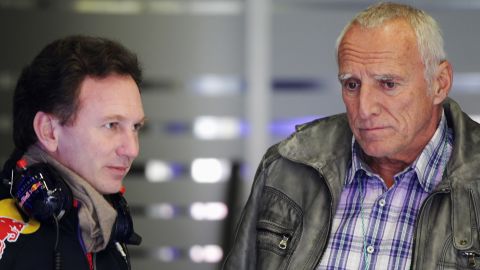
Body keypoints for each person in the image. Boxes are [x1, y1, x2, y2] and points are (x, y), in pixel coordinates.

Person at [223, 2, 480, 269]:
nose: (365, 108)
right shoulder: (287, 169)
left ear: (439, 83)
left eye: (388, 84)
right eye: (352, 84)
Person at [0, 35, 146, 270]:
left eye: (136, 127)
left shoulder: (101, 226)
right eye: (111, 125)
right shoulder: (10, 246)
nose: (132, 149)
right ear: (48, 131)